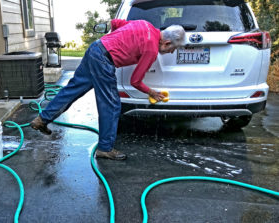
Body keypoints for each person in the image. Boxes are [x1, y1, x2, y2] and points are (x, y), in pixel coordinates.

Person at [30, 19, 185, 161]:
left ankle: (42, 119)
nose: (171, 52)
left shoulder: (144, 24)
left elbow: (116, 23)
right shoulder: (151, 50)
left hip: (95, 48)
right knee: (111, 105)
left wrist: (115, 39)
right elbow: (135, 81)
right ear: (166, 42)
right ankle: (104, 148)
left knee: (73, 89)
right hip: (104, 60)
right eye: (173, 49)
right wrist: (151, 92)